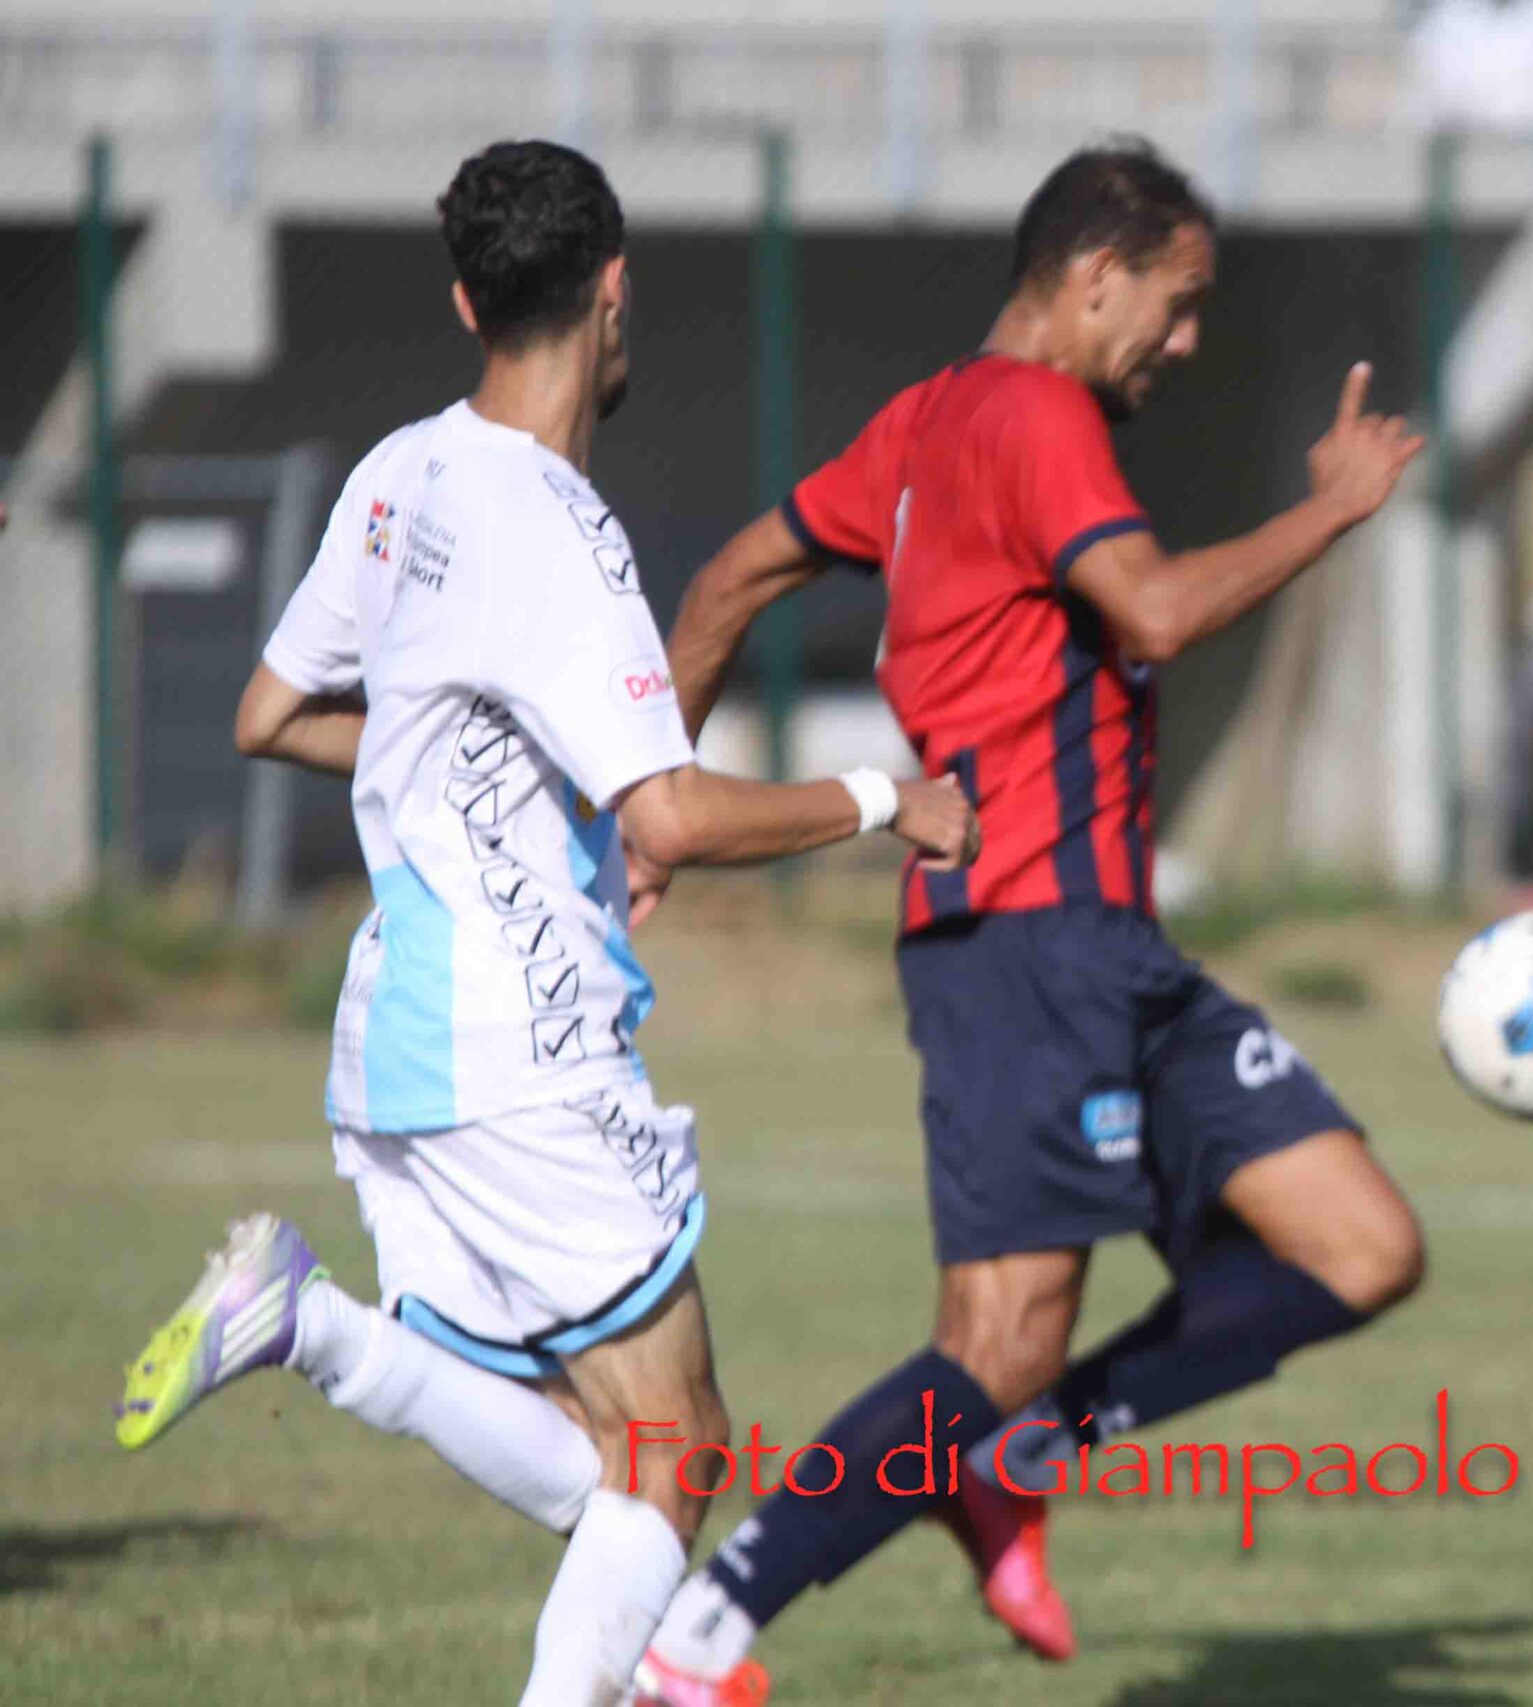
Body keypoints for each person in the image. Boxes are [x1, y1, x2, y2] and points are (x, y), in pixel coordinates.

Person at [111, 139, 976, 1707]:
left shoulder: (401, 472)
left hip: (399, 1037)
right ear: (613, 288)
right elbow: (674, 818)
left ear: (467, 301)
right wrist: (882, 798)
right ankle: (326, 1347)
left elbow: (269, 714)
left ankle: (311, 1325)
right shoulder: (563, 532)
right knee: (679, 1448)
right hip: (523, 1046)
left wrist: (474, 779)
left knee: (611, 1460)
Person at [630, 138, 1429, 1706]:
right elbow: (1153, 610)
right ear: (1095, 276)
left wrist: (646, 805)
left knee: (1361, 1244)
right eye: (1178, 304)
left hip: (1112, 949)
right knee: (996, 1342)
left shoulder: (925, 425)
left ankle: (1015, 1459)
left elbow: (724, 584)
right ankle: (693, 1635)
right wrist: (1331, 510)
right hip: (1022, 942)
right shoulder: (1036, 412)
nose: (1185, 342)